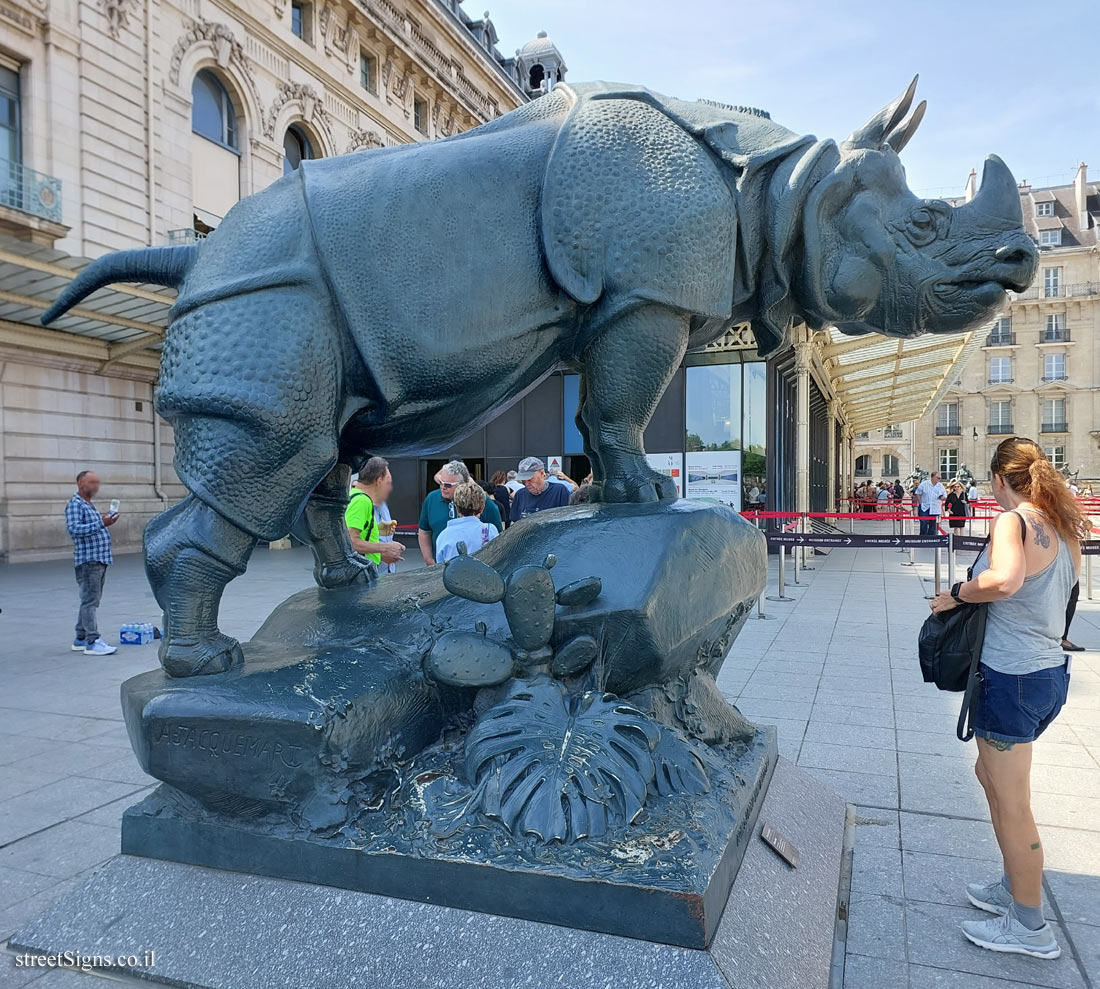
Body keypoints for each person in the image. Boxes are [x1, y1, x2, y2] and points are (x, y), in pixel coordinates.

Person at [929, 437, 1086, 960]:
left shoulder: (1013, 522)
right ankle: (1012, 886)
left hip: (1012, 678)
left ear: (999, 480)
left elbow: (1004, 580)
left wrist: (955, 593)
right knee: (990, 780)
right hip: (1045, 675)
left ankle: (1030, 926)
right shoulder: (1063, 528)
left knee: (1013, 803)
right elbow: (1062, 600)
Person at [65, 470, 118, 655]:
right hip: (88, 560)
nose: (96, 486)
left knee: (90, 600)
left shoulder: (88, 504)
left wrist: (105, 521)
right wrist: (102, 523)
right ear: (81, 483)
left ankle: (80, 638)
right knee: (90, 602)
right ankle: (92, 641)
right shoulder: (75, 504)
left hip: (99, 558)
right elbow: (74, 530)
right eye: (92, 482)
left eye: (97, 482)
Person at [417, 460, 502, 566]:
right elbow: (424, 531)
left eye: (448, 484)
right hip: (441, 569)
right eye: (441, 482)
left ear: (463, 484)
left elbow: (499, 540)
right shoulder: (432, 499)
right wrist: (429, 560)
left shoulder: (483, 503)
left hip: (481, 570)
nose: (443, 487)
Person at [345, 456, 404, 570]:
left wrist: (376, 529)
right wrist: (386, 548)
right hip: (363, 571)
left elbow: (354, 532)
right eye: (388, 482)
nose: (390, 487)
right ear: (379, 480)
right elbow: (351, 542)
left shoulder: (355, 497)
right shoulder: (362, 501)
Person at [434, 481, 498, 563]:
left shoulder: (443, 536)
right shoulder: (489, 530)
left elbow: (440, 565)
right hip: (483, 574)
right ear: (482, 508)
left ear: (456, 507)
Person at [510, 456, 571, 521]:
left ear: (542, 473)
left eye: (530, 479)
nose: (526, 484)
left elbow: (567, 521)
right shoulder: (520, 494)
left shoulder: (559, 491)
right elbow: (516, 522)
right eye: (523, 481)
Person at [915, 471, 947, 535]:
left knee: (933, 524)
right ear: (932, 477)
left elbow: (945, 495)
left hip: (935, 507)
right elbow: (917, 493)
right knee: (923, 523)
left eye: (940, 478)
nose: (939, 479)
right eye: (938, 478)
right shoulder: (924, 484)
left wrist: (942, 498)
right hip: (924, 507)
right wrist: (920, 503)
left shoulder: (940, 485)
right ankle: (923, 538)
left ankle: (932, 539)